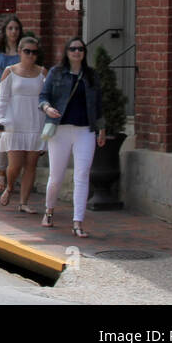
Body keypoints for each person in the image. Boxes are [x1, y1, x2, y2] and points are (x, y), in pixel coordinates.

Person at [39, 37, 106, 237]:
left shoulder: (91, 76)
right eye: (73, 49)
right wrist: (48, 108)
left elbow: (99, 105)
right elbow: (43, 96)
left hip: (85, 130)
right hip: (60, 129)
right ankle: (49, 210)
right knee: (56, 176)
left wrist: (102, 128)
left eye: (80, 49)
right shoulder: (56, 73)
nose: (77, 52)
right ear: (67, 52)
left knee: (82, 175)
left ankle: (78, 221)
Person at [0, 36, 46, 212]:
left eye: (34, 52)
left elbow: (47, 98)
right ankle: (10, 187)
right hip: (14, 123)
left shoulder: (42, 73)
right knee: (15, 165)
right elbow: (2, 100)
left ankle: (24, 202)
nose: (31, 55)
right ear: (19, 52)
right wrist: (0, 121)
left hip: (35, 122)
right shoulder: (9, 71)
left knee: (31, 165)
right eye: (27, 51)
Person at [0, 14, 24, 192]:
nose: (13, 32)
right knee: (3, 135)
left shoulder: (24, 51)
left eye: (16, 29)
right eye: (10, 28)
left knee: (16, 136)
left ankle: (14, 173)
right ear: (4, 31)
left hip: (18, 99)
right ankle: (1, 173)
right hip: (0, 96)